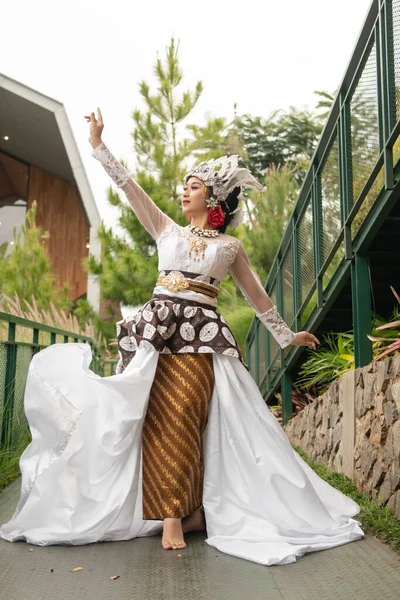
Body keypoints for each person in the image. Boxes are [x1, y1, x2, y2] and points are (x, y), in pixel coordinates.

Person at [0, 109, 364, 566]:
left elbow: (257, 297)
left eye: (192, 186)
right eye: (185, 186)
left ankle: (182, 512)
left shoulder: (228, 248)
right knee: (149, 420)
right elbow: (129, 188)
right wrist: (97, 145)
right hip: (155, 338)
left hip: (203, 340)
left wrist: (287, 336)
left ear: (212, 198)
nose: (183, 191)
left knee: (187, 416)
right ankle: (177, 512)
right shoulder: (166, 230)